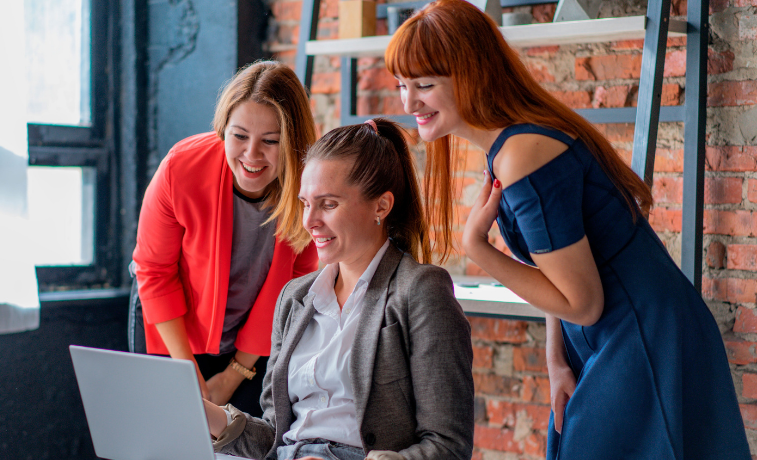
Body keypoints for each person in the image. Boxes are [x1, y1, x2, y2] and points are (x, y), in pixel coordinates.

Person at [385, 1, 751, 458]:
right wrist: (554, 360)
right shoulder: (509, 146)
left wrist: (476, 248)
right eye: (402, 85)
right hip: (612, 335)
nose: (408, 102)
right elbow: (553, 269)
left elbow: (583, 302)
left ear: (472, 73)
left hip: (643, 335)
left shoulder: (521, 155)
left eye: (424, 85)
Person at [204, 119, 475, 460]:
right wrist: (209, 415)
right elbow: (276, 438)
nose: (310, 221)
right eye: (305, 203)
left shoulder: (419, 292)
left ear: (382, 206)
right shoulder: (295, 298)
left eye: (328, 204)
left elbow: (448, 447)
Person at [129, 61, 319, 416]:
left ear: (292, 142)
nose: (251, 155)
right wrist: (185, 369)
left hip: (254, 341)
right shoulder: (180, 167)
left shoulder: (309, 185)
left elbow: (293, 289)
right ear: (223, 128)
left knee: (242, 443)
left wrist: (236, 373)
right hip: (172, 327)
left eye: (271, 141)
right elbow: (154, 270)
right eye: (239, 136)